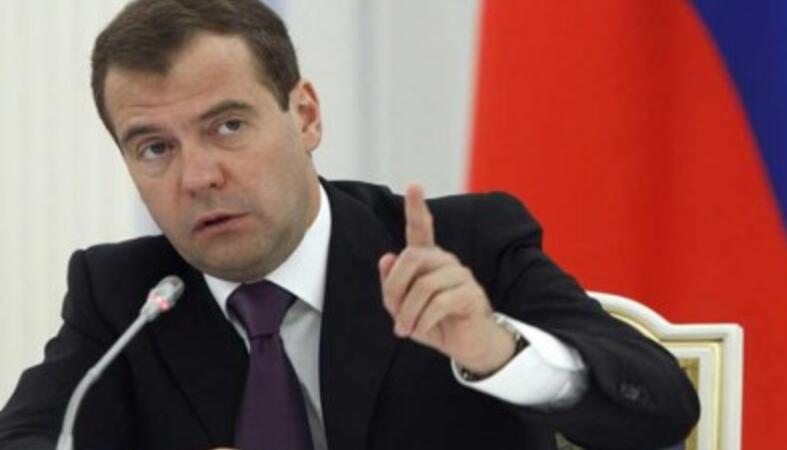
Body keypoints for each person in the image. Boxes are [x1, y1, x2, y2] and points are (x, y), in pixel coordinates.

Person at [0, 1, 699, 449]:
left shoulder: (467, 246)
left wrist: (496, 351)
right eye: (155, 147)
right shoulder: (124, 295)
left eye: (228, 126)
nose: (197, 176)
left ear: (305, 116)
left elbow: (663, 408)